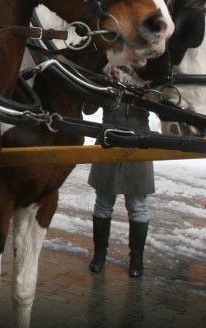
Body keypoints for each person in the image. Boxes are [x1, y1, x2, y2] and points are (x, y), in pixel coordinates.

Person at [87, 100, 153, 278]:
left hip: (138, 144)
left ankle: (136, 259)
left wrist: (151, 98)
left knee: (137, 206)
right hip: (108, 143)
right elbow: (88, 108)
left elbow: (165, 111)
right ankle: (99, 255)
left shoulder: (147, 78)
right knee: (102, 204)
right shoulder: (108, 74)